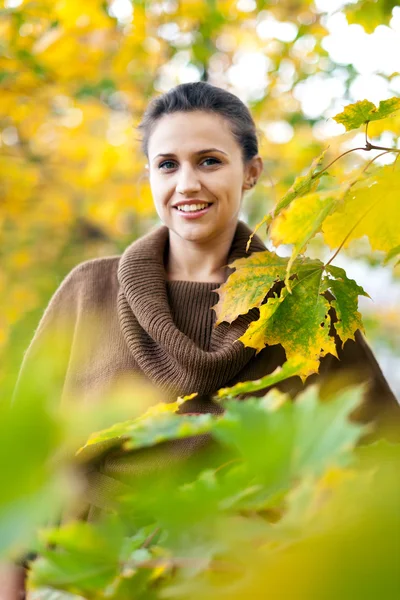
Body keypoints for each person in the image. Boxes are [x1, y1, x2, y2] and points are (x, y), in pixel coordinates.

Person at [8, 81, 400, 597]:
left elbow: (381, 456)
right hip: (94, 576)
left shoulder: (303, 302)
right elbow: (17, 472)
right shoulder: (89, 291)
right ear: (148, 174)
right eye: (167, 164)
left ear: (251, 172)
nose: (187, 183)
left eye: (210, 161)